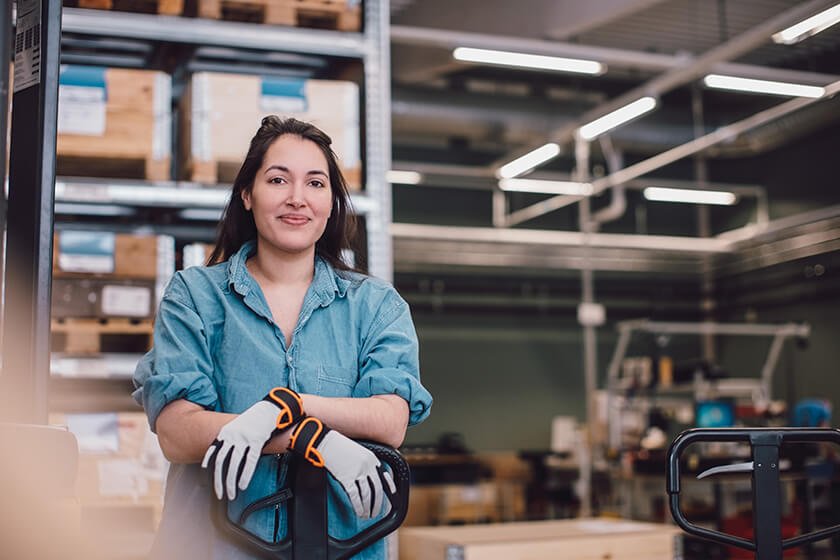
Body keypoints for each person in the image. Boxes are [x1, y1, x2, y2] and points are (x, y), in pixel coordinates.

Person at [133, 116, 432, 559]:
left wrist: (288, 407)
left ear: (331, 203)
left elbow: (389, 419)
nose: (297, 198)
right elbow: (178, 432)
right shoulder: (195, 295)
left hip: (344, 548)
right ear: (247, 195)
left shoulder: (376, 306)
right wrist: (309, 439)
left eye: (315, 183)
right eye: (278, 180)